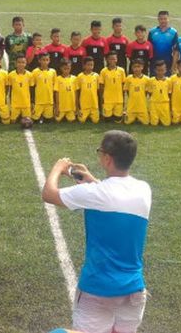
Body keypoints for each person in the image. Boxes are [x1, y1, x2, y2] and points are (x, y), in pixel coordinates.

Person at [41, 131, 151, 333]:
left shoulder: (95, 194)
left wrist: (58, 168)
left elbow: (49, 194)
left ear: (107, 158)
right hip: (133, 290)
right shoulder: (144, 189)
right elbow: (113, 197)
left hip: (97, 290)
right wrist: (92, 179)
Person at [148, 11, 179, 75]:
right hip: (154, 62)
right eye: (161, 19)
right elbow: (149, 48)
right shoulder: (152, 32)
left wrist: (174, 65)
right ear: (158, 19)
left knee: (166, 83)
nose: (163, 21)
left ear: (168, 19)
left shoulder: (173, 32)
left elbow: (176, 51)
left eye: (165, 19)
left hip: (167, 62)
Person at [99, 51, 126, 123]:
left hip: (118, 99)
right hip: (108, 99)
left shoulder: (121, 70)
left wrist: (123, 97)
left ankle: (119, 114)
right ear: (107, 60)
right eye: (110, 59)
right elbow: (101, 85)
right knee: (107, 119)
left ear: (117, 59)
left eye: (114, 59)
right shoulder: (103, 71)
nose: (112, 61)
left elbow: (123, 84)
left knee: (118, 119)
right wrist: (102, 97)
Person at [7, 55, 33, 123]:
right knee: (12, 121)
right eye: (19, 62)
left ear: (26, 63)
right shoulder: (11, 75)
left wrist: (32, 101)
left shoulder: (30, 75)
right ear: (15, 63)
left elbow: (31, 89)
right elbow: (10, 89)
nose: (21, 64)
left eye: (23, 62)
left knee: (27, 121)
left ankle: (23, 117)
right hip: (15, 103)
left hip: (26, 103)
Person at [32, 52, 56, 123]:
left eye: (47, 60)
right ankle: (39, 118)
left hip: (49, 100)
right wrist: (32, 101)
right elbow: (32, 87)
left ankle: (44, 117)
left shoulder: (53, 72)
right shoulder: (35, 72)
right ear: (39, 60)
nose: (45, 62)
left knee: (48, 121)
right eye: (43, 60)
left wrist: (54, 101)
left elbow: (54, 87)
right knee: (35, 120)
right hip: (38, 101)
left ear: (49, 60)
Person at [124, 59, 149, 125]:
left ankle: (140, 116)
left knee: (146, 123)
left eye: (138, 66)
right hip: (131, 107)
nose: (137, 69)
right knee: (127, 122)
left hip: (142, 106)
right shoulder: (129, 78)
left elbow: (146, 93)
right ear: (132, 68)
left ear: (142, 67)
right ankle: (131, 114)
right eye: (135, 67)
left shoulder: (146, 79)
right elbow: (127, 91)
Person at [76, 57, 100, 124]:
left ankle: (92, 114)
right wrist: (78, 106)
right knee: (81, 120)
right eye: (88, 65)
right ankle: (86, 114)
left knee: (96, 121)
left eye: (92, 65)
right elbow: (78, 91)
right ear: (84, 66)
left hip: (94, 104)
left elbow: (98, 90)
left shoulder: (96, 76)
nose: (90, 67)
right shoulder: (80, 76)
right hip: (84, 105)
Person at [147, 60, 171, 126]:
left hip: (165, 103)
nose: (160, 72)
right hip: (154, 104)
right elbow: (149, 93)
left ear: (165, 70)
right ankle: (153, 116)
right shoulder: (151, 80)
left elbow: (169, 93)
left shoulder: (169, 81)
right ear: (155, 70)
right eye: (158, 70)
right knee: (153, 123)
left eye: (162, 70)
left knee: (167, 124)